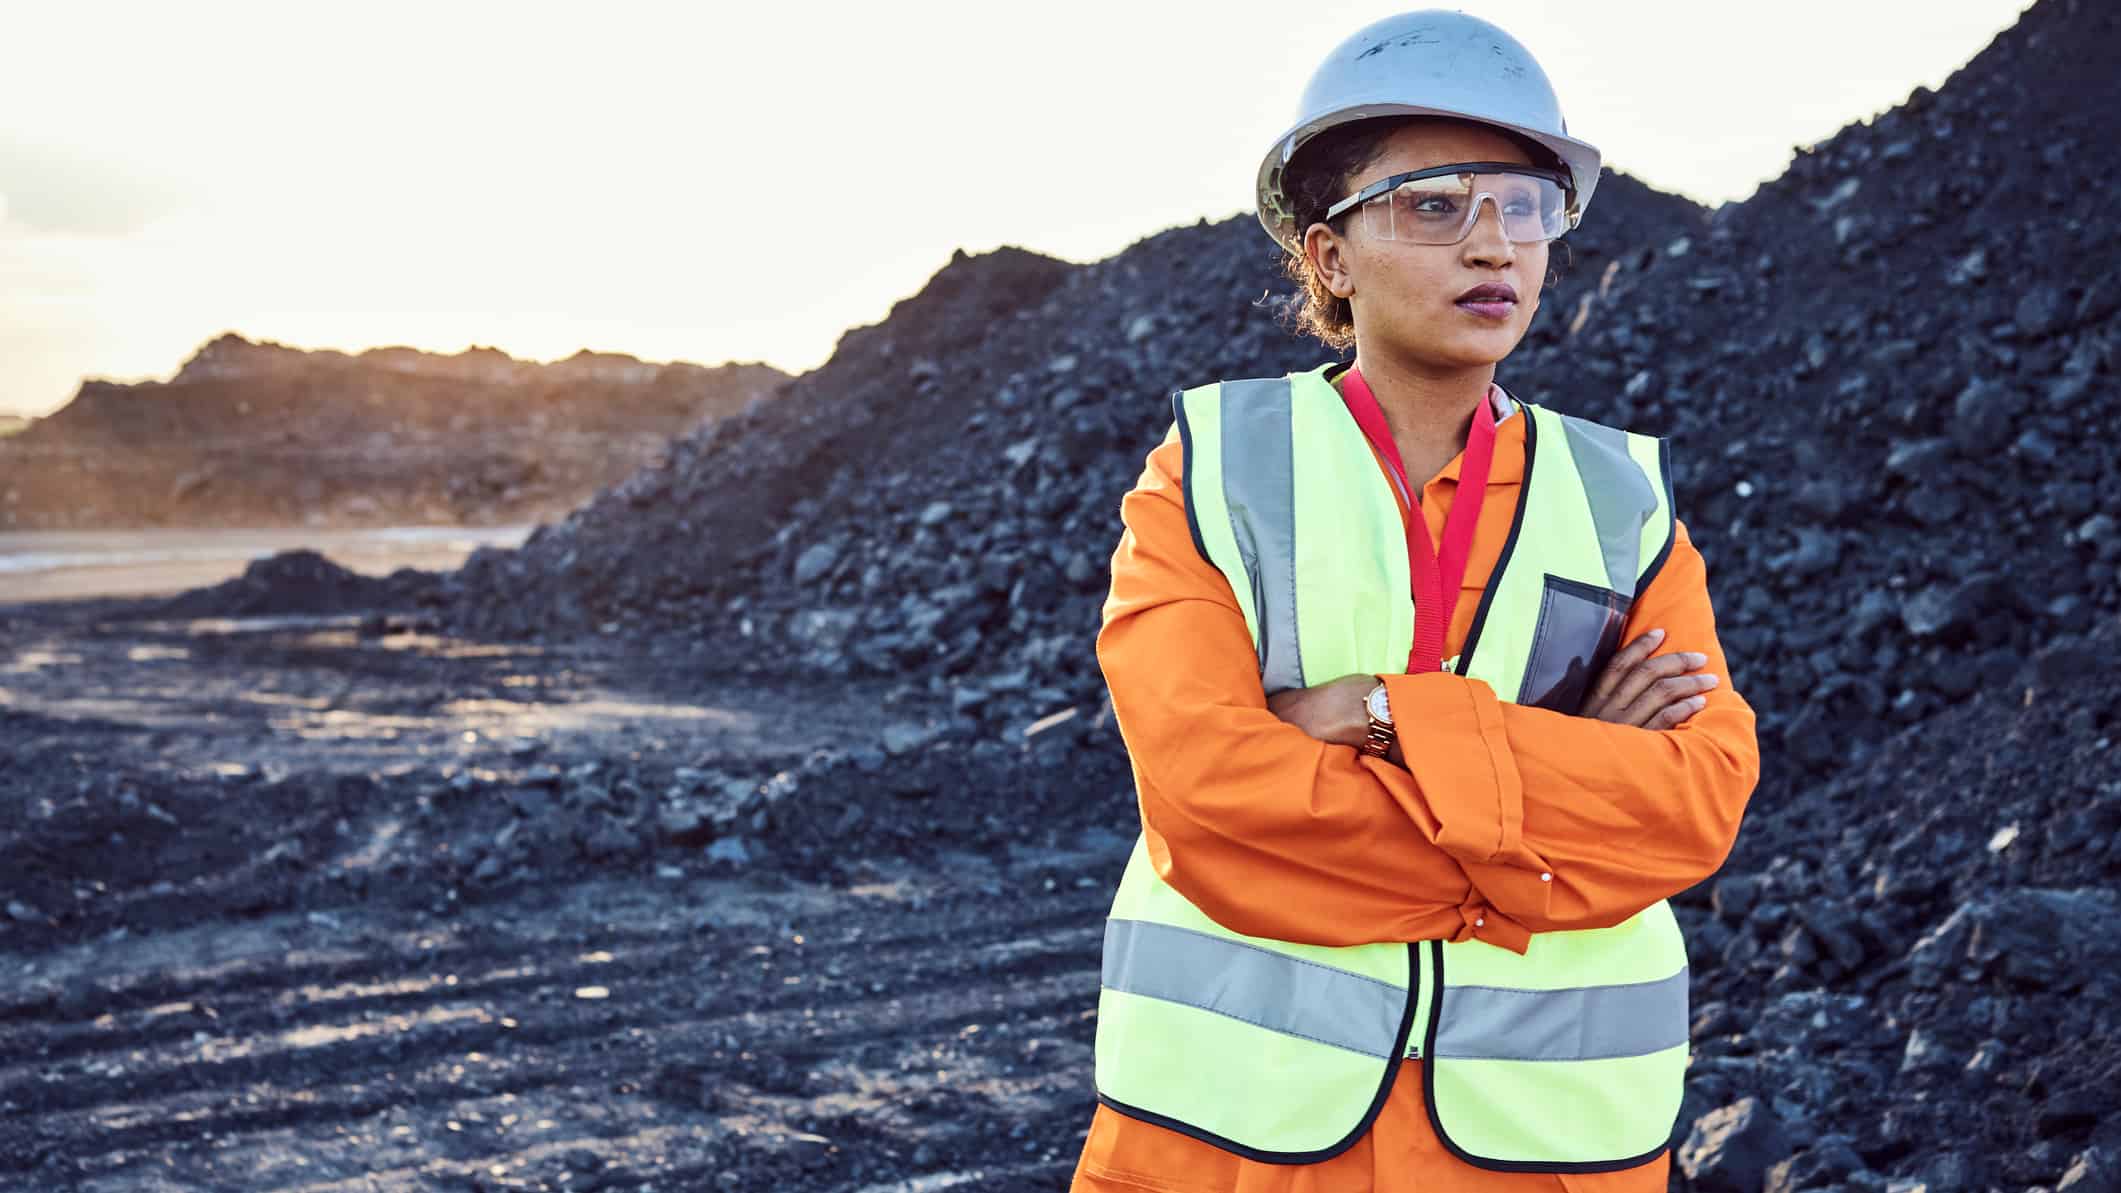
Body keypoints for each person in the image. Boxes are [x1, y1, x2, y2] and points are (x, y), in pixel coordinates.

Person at [1068, 11, 1760, 1192]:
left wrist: (1381, 713)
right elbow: (1209, 791)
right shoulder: (1219, 469)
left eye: (1525, 205)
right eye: (1436, 204)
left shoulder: (1620, 500)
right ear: (1330, 258)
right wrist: (1555, 797)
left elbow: (1690, 803)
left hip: (1546, 1144)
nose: (1493, 245)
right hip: (1237, 1139)